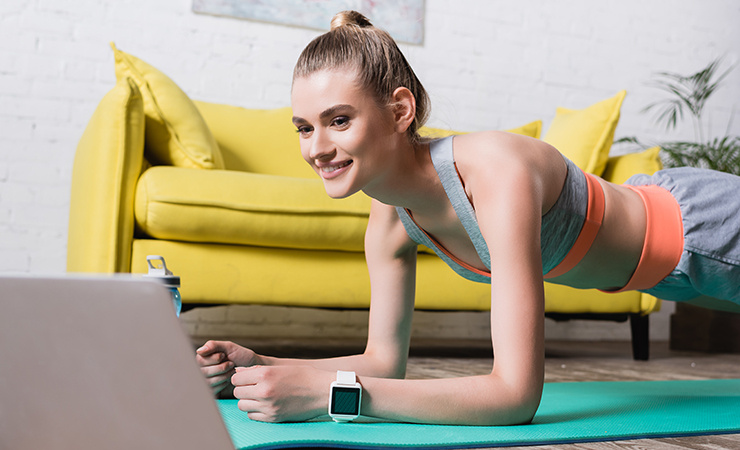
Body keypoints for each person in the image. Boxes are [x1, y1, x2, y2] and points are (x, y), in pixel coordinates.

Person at [196, 10, 740, 425]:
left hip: (708, 232)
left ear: (400, 111)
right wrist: (259, 365)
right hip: (672, 279)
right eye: (304, 127)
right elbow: (384, 362)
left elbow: (515, 395)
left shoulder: (495, 171)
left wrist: (333, 395)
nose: (317, 147)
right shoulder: (388, 220)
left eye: (338, 120)